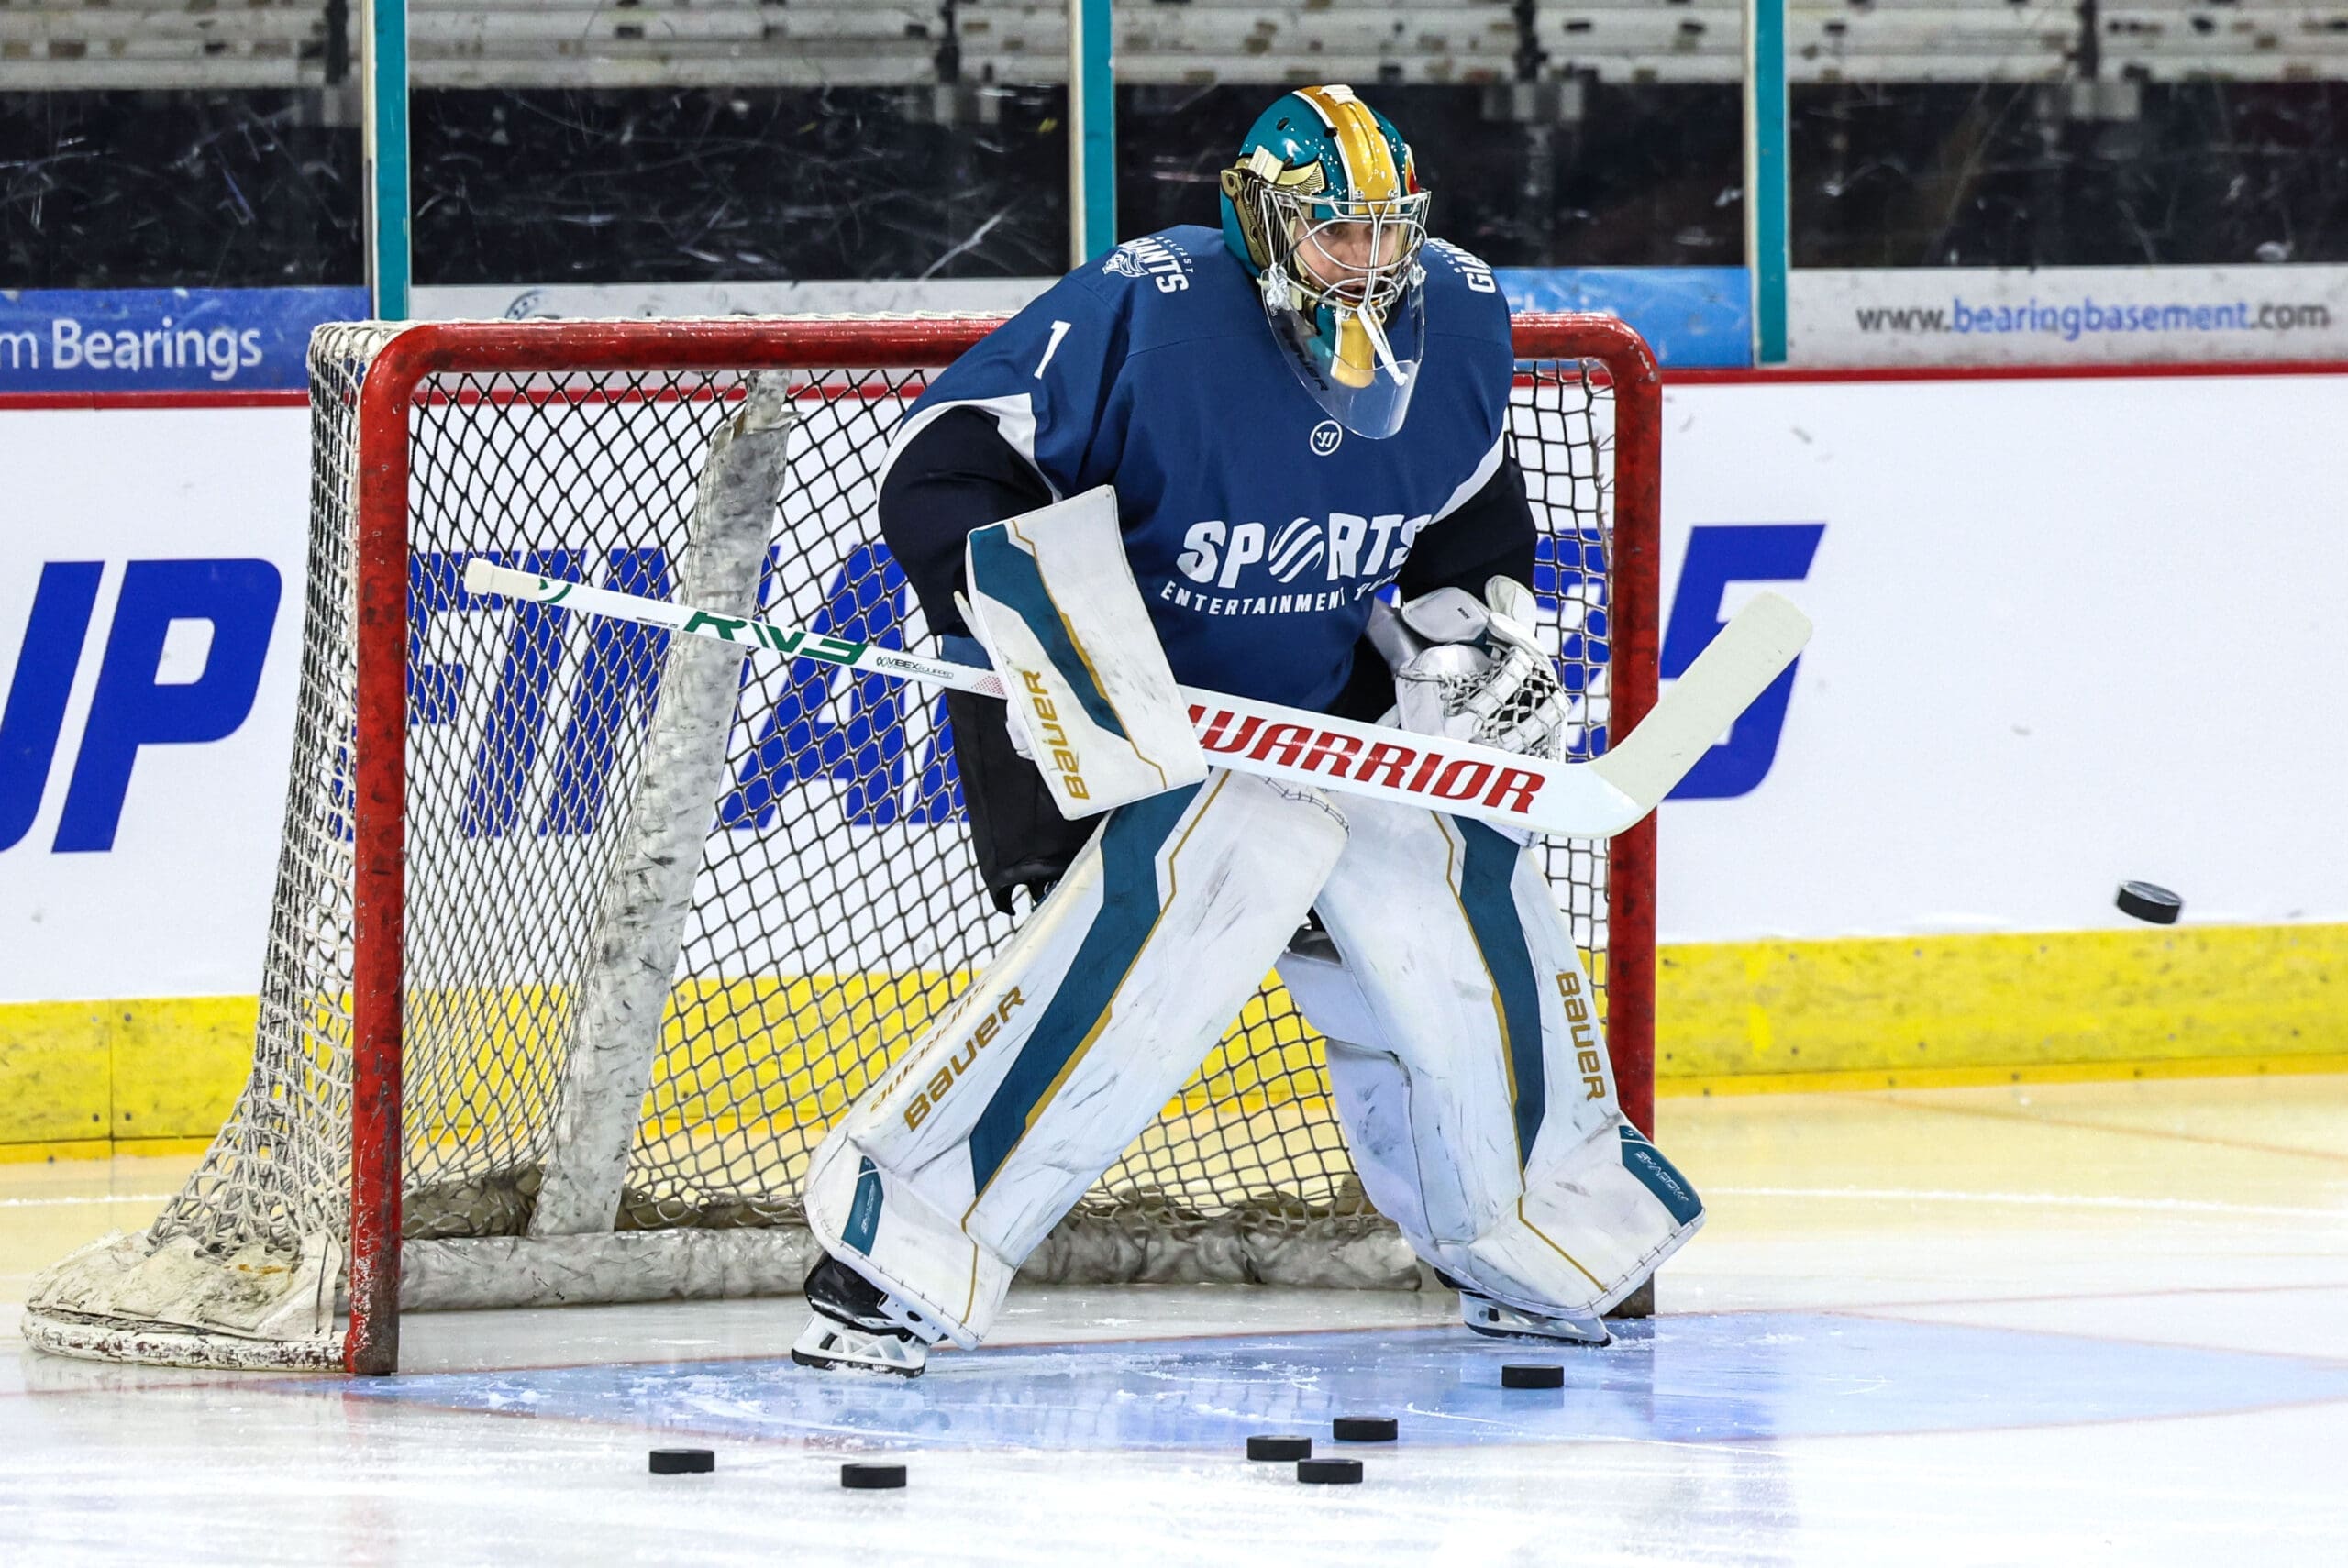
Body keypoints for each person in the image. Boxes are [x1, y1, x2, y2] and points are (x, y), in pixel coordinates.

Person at [792, 84, 1703, 1376]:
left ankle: (1535, 1234)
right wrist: (1050, 621)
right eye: (1335, 233)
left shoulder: (1460, 321)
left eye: (1386, 232)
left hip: (1308, 707)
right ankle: (896, 1252)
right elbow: (944, 463)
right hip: (1113, 708)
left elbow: (1470, 518)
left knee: (1450, 857)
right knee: (1202, 882)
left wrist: (1473, 633)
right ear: (1261, 221)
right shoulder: (1150, 311)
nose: (1368, 262)